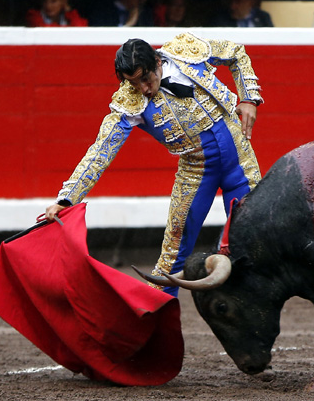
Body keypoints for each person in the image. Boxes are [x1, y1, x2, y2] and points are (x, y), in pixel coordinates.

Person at [43, 32, 263, 297]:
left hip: (240, 158)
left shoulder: (186, 50)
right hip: (196, 171)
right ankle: (154, 317)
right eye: (133, 83)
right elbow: (101, 151)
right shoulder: (128, 102)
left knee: (254, 239)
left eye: (145, 78)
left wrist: (249, 98)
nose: (143, 89)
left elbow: (236, 52)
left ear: (157, 62)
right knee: (173, 253)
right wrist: (66, 199)